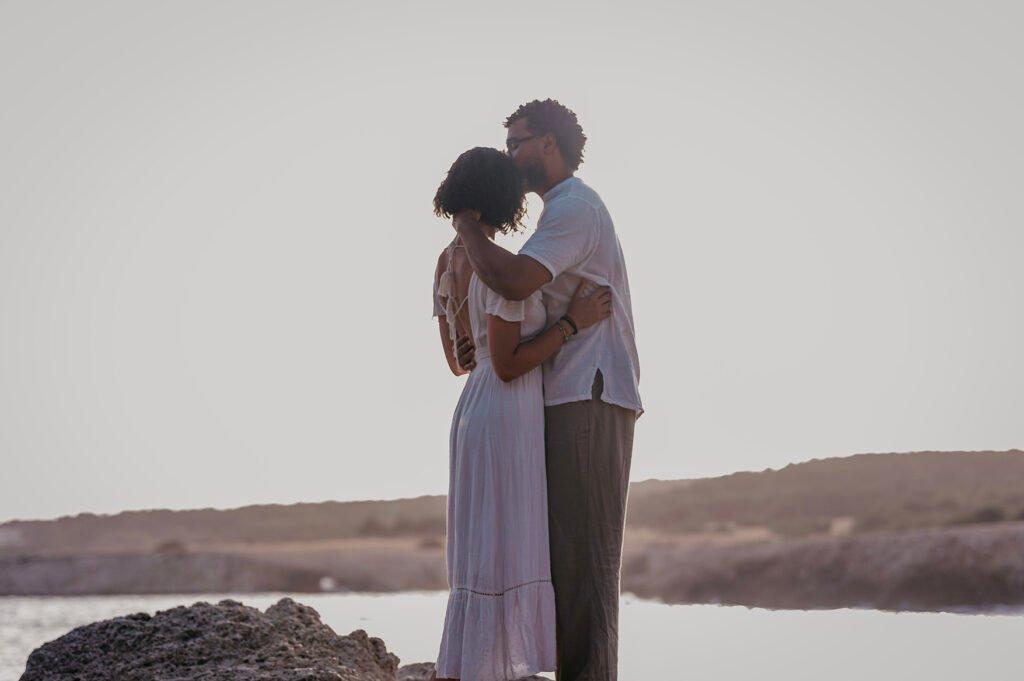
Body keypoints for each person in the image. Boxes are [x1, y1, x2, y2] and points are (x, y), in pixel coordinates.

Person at [452, 100, 643, 681]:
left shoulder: (574, 208)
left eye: (519, 142)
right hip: (557, 395)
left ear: (550, 144)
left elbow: (513, 281)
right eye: (507, 145)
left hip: (588, 393)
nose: (512, 154)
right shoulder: (554, 214)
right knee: (564, 566)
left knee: (585, 567)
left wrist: (465, 226)